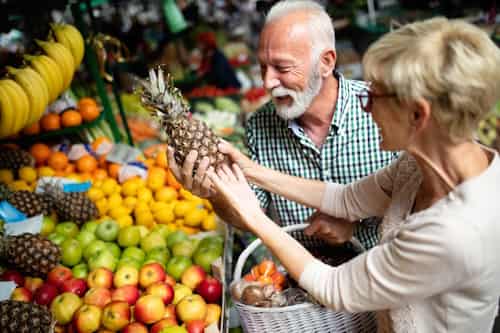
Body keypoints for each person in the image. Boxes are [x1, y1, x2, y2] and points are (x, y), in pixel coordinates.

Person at [204, 17, 500, 332]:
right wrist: (252, 172)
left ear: (417, 114)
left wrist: (252, 216)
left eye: (374, 96)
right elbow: (346, 199)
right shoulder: (418, 167)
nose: (366, 107)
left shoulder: (454, 230)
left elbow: (334, 288)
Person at [169, 0, 396, 250]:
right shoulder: (259, 126)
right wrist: (215, 194)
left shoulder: (382, 110)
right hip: (299, 283)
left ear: (326, 62)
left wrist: (356, 224)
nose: (267, 82)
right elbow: (250, 216)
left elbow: (418, 201)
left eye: (282, 67)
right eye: (263, 67)